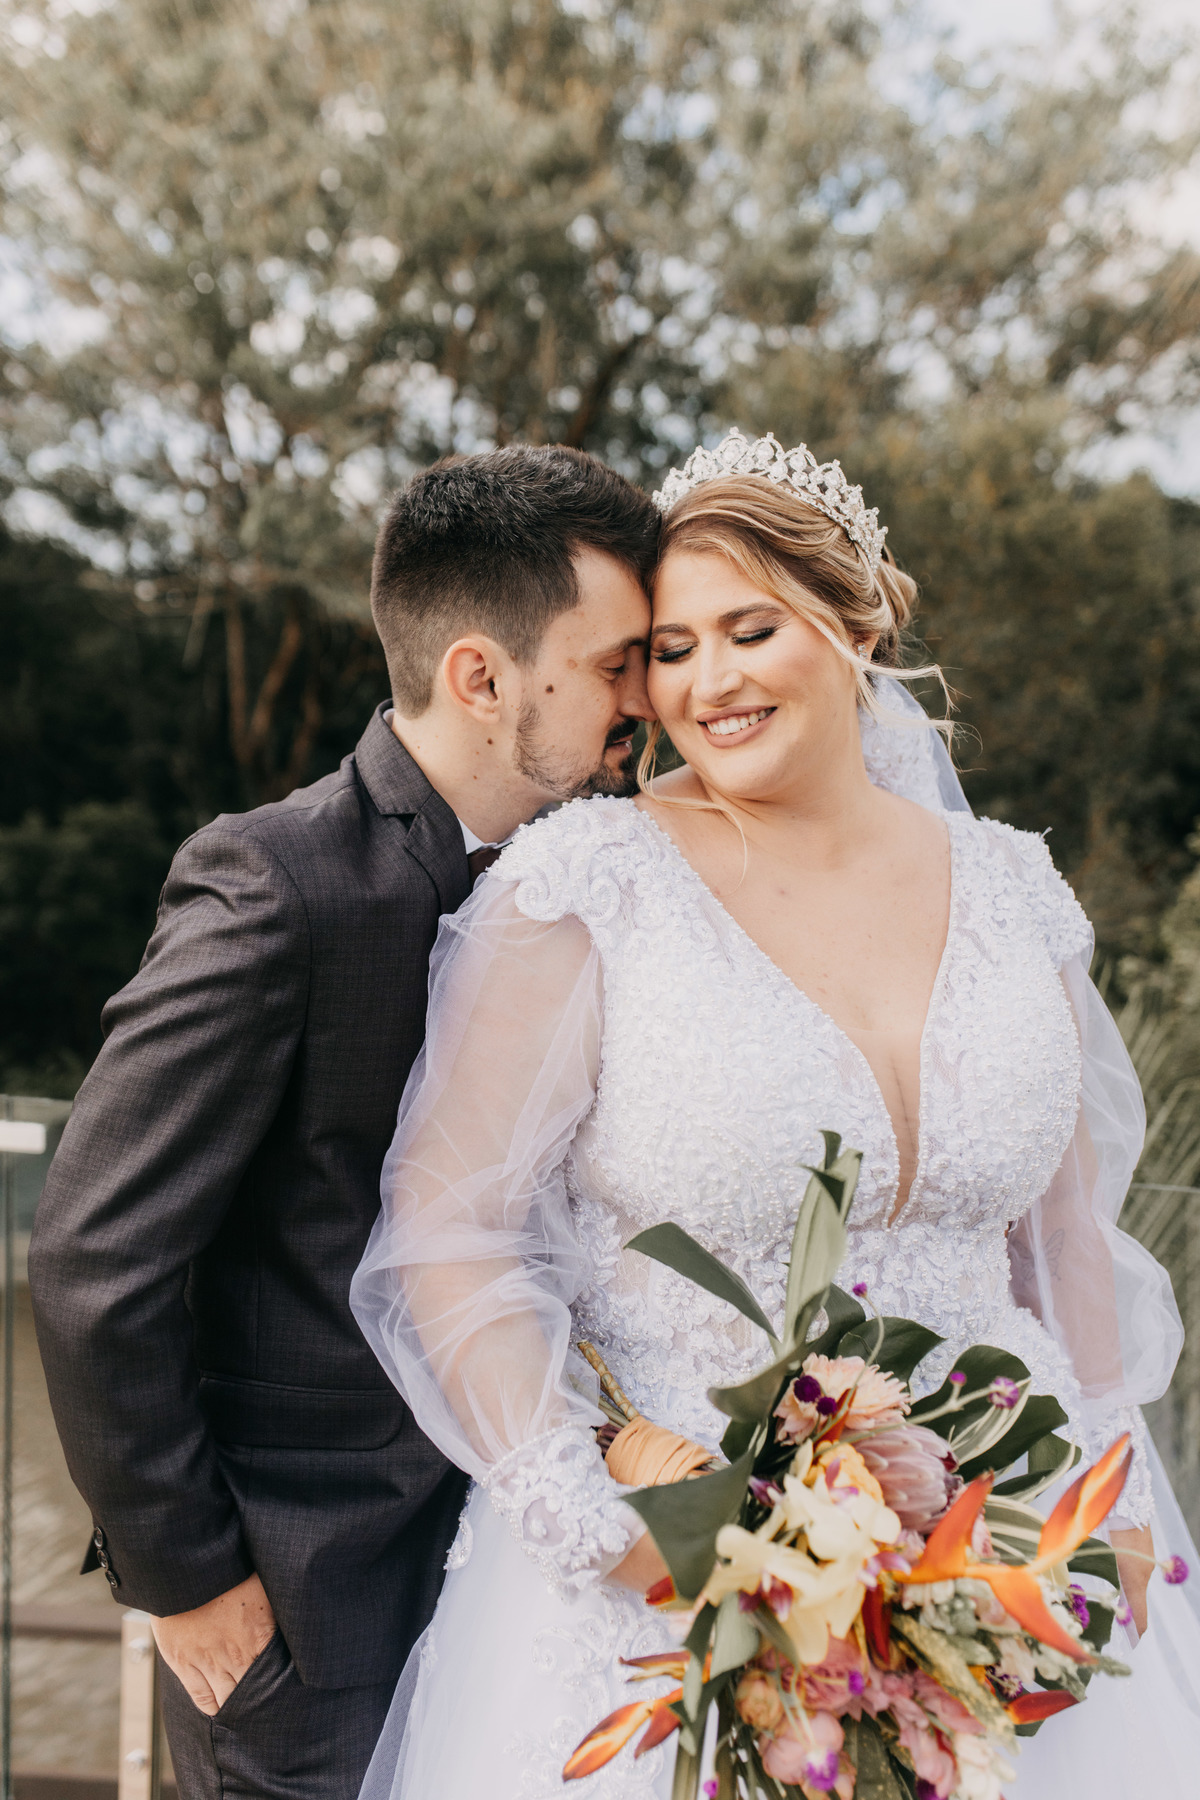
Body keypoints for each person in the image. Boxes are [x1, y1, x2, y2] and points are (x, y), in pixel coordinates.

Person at [351, 429, 1200, 1799]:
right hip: (678, 1572)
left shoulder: (1012, 889)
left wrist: (1120, 1501)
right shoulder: (590, 885)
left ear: (858, 625)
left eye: (751, 631)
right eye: (670, 651)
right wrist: (604, 1519)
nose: (708, 683)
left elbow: (1060, 1244)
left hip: (1012, 1550)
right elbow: (452, 1235)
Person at [27, 443, 659, 1799]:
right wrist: (190, 1581)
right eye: (614, 665)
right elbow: (93, 1259)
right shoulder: (279, 884)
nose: (643, 701)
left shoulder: (613, 889)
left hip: (529, 1594)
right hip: (313, 1618)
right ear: (481, 677)